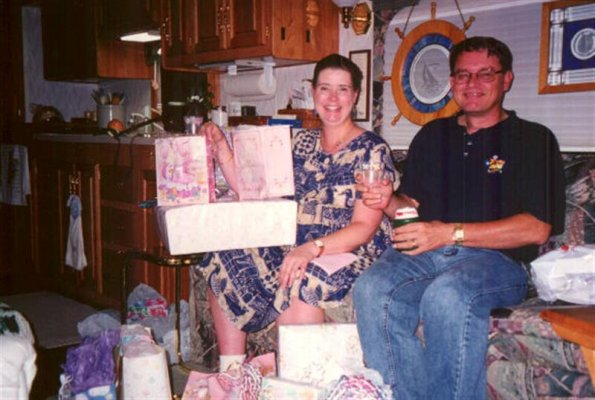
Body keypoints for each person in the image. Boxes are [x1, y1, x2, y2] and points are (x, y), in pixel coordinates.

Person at [353, 36, 565, 400]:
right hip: (424, 254)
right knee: (371, 289)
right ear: (452, 83)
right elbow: (410, 208)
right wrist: (388, 201)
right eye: (463, 75)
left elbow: (538, 226)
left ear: (507, 80)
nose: (473, 84)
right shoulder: (432, 135)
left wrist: (450, 234)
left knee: (447, 296)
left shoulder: (534, 139)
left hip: (495, 262)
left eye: (485, 74)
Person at [196, 53, 397, 371]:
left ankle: (296, 384)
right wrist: (221, 147)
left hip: (349, 247)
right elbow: (254, 189)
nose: (332, 99)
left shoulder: (372, 150)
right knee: (226, 253)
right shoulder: (298, 142)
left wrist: (311, 249)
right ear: (313, 91)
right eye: (325, 88)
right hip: (294, 240)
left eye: (342, 89)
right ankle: (232, 375)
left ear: (355, 96)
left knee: (302, 281)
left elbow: (363, 227)